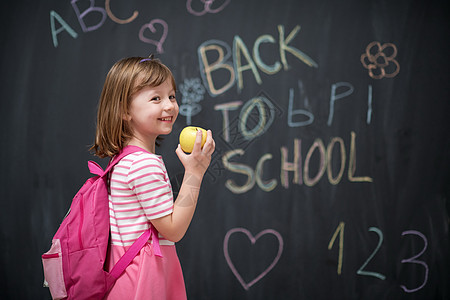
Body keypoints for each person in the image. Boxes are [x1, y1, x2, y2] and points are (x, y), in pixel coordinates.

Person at [90, 55, 215, 299]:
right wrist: (195, 173)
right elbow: (173, 230)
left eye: (171, 96)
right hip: (143, 282)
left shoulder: (123, 160)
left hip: (127, 278)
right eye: (156, 98)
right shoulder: (143, 165)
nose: (169, 105)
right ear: (124, 110)